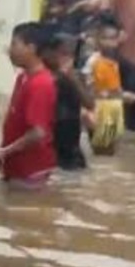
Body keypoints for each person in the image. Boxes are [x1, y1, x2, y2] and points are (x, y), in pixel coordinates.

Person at [0, 23, 57, 189]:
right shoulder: (23, 78)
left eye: (14, 44)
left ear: (31, 48)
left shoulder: (41, 84)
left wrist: (5, 151)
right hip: (16, 168)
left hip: (30, 172)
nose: (9, 50)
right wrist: (0, 145)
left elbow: (38, 133)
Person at [83, 20, 135, 155]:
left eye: (112, 39)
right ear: (97, 40)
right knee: (104, 154)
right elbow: (111, 93)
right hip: (103, 110)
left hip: (111, 109)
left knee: (108, 154)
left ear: (118, 40)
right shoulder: (99, 63)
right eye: (105, 38)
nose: (109, 43)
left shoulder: (112, 62)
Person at [42, 32, 95, 170]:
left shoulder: (77, 76)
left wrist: (73, 79)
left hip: (72, 145)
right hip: (49, 142)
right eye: (63, 54)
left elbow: (90, 104)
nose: (68, 59)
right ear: (48, 53)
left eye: (71, 54)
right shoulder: (42, 76)